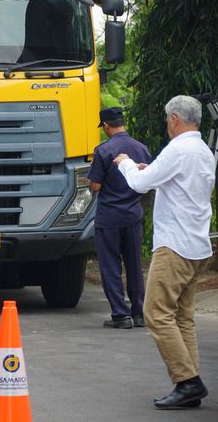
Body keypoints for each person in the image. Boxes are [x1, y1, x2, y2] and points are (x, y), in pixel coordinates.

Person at [114, 95, 214, 409]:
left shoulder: (178, 149)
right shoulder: (202, 151)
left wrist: (125, 163)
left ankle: (187, 381)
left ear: (173, 119)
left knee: (155, 313)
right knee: (182, 317)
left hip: (174, 246)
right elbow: (178, 183)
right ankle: (189, 382)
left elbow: (140, 184)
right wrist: (150, 170)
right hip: (197, 246)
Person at [88, 107, 151, 329]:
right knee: (134, 265)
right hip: (133, 215)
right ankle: (139, 314)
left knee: (111, 267)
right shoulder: (141, 148)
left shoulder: (104, 150)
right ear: (122, 122)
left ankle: (120, 315)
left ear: (106, 126)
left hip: (109, 218)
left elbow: (95, 185)